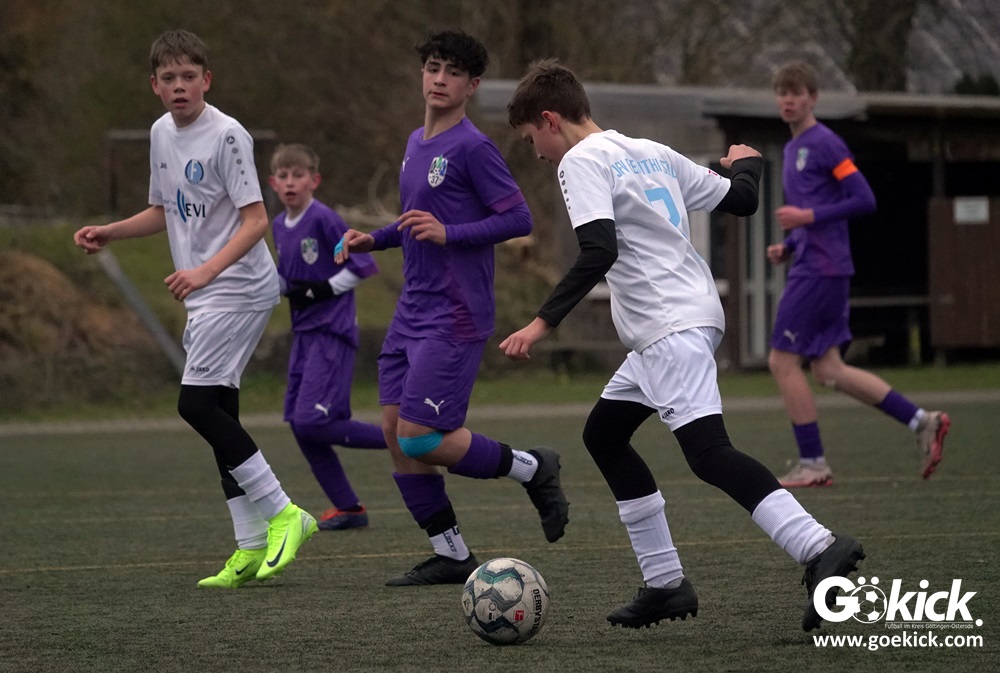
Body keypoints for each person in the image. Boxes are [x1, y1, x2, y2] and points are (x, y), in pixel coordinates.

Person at [501, 58, 863, 632]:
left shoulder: (580, 160)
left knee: (709, 453)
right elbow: (741, 200)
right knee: (604, 436)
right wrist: (750, 164)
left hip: (668, 326)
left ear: (549, 119)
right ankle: (665, 583)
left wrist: (540, 324)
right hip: (674, 324)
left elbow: (598, 250)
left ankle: (819, 546)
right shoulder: (651, 151)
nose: (539, 154)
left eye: (531, 140)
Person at [73, 29, 317, 588]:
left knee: (196, 405)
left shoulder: (228, 135)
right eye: (169, 78)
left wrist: (206, 270)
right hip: (208, 292)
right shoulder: (161, 133)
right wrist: (111, 231)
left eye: (189, 76)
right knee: (219, 413)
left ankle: (285, 513)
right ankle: (250, 545)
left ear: (207, 80)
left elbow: (256, 220)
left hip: (239, 288)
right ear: (154, 86)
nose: (180, 86)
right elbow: (165, 210)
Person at [335, 30, 569, 586]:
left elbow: (518, 219)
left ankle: (532, 467)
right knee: (394, 430)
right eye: (433, 68)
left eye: (453, 72)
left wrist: (450, 232)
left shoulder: (473, 147)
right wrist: (376, 239)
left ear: (472, 85)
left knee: (420, 436)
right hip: (411, 310)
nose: (440, 79)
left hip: (455, 312)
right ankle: (452, 554)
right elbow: (417, 220)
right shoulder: (415, 142)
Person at [768, 61, 950, 488]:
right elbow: (813, 214)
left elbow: (865, 199)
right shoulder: (792, 149)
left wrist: (806, 217)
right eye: (782, 93)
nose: (788, 100)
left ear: (813, 98)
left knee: (782, 361)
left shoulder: (825, 143)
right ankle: (923, 421)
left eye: (796, 93)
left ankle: (813, 463)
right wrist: (789, 245)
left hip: (821, 269)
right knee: (829, 369)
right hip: (816, 262)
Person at [269, 143, 387, 531]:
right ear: (273, 183)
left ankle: (406, 439)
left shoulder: (324, 219)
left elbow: (362, 265)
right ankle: (348, 508)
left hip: (331, 332)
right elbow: (286, 280)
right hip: (303, 335)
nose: (290, 182)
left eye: (298, 175)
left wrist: (320, 290)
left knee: (312, 423)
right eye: (283, 176)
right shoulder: (277, 225)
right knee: (299, 424)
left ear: (314, 180)